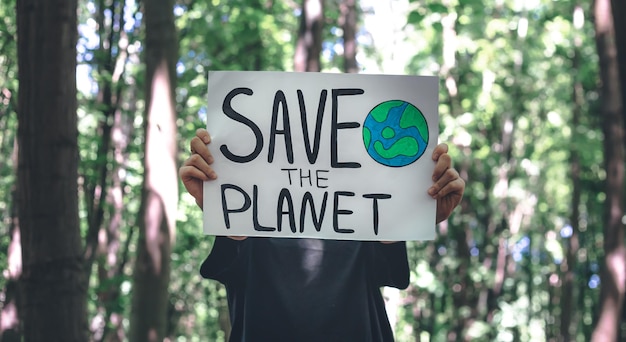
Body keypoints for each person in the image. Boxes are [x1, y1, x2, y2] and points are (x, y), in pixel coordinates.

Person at [180, 128, 465, 342]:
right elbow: (230, 263)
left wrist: (417, 209)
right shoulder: (252, 215)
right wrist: (223, 204)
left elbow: (389, 271)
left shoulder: (360, 212)